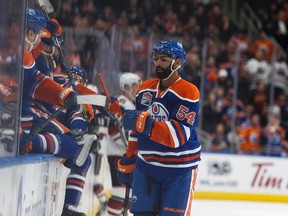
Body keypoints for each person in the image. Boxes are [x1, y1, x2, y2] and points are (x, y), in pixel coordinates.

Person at [117, 40, 201, 215]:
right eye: (156, 58)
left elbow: (178, 136)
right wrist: (130, 158)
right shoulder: (144, 88)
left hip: (179, 170)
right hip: (147, 167)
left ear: (177, 63)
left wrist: (144, 122)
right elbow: (135, 129)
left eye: (164, 59)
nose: (158, 63)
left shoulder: (188, 91)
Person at [22, 8, 91, 216]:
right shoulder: (30, 55)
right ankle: (28, 142)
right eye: (40, 35)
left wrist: (69, 101)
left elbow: (36, 78)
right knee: (75, 149)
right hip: (31, 111)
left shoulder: (33, 55)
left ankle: (70, 208)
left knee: (81, 154)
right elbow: (35, 80)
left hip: (35, 112)